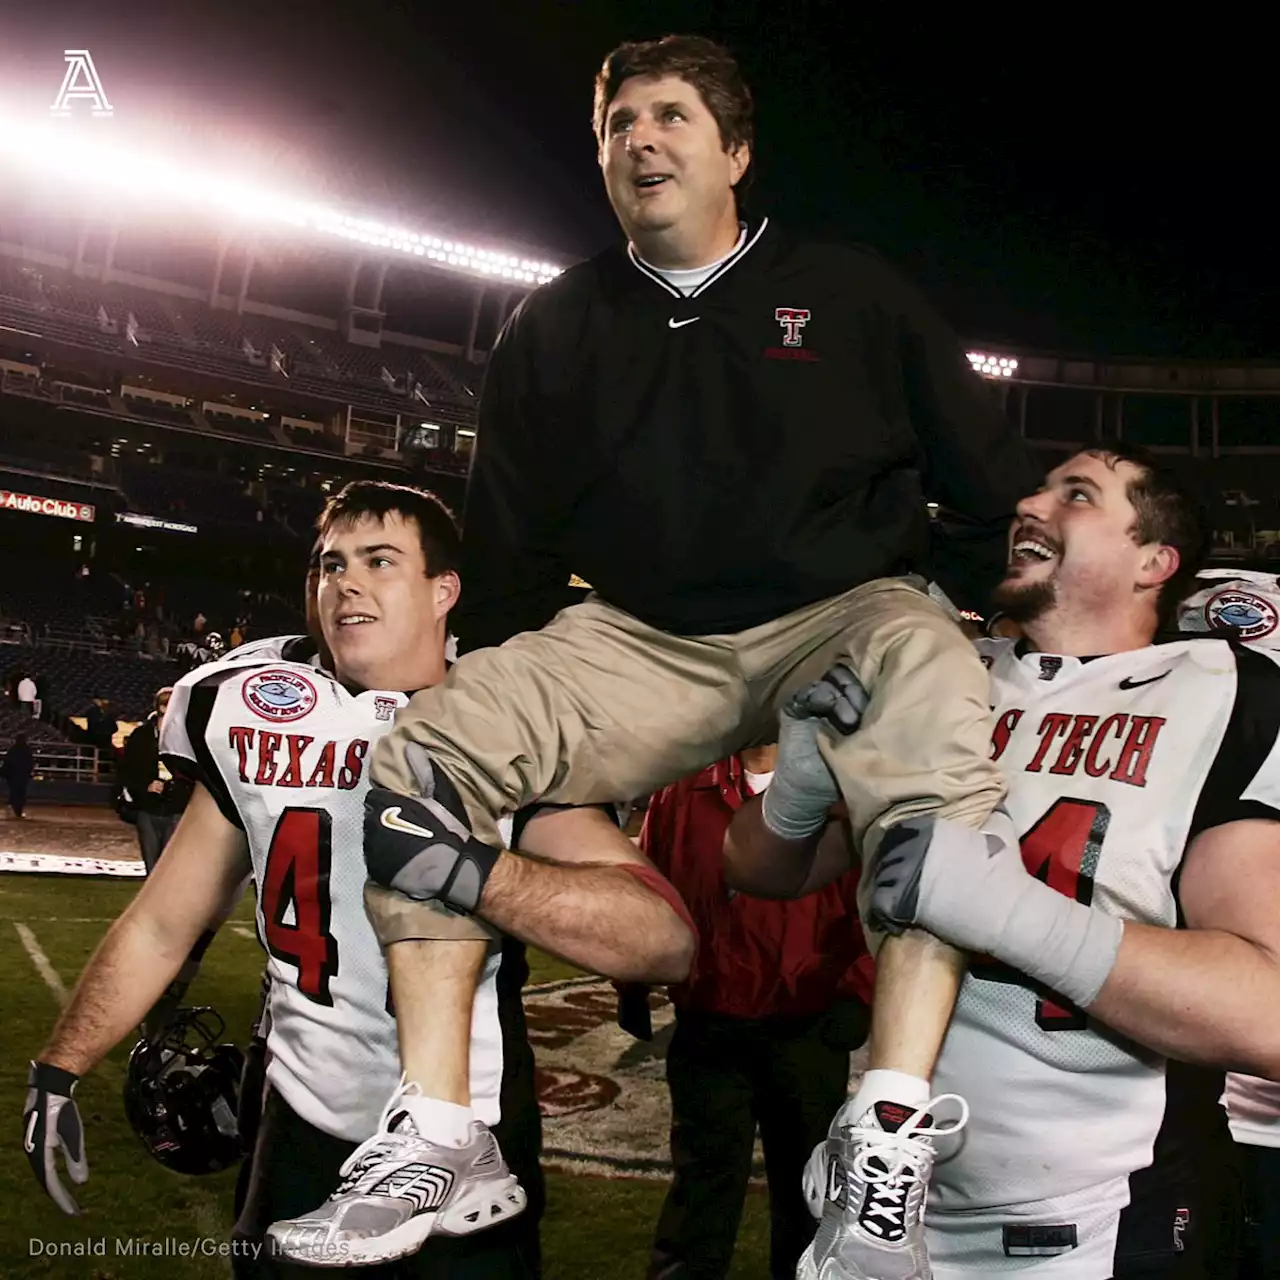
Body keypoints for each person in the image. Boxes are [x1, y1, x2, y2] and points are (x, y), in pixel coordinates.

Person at [307, 34, 1036, 1273]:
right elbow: (515, 553)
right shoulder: (555, 323)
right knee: (430, 751)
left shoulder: (848, 292)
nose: (639, 138)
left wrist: (935, 590)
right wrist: (525, 716)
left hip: (835, 609)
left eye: (669, 117)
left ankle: (885, 1137)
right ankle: (439, 1125)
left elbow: (984, 486)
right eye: (618, 122)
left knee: (927, 700)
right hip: (641, 635)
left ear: (735, 152)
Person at [23, 481, 694, 1278]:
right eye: (330, 565)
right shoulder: (252, 709)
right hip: (300, 1124)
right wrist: (59, 1066)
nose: (346, 583)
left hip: (465, 1139)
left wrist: (477, 874)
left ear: (444, 590)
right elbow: (163, 922)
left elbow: (663, 940)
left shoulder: (504, 727)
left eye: (381, 562)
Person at [728, 444, 1275, 1277]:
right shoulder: (944, 676)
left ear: (1153, 561)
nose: (1031, 503)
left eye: (1078, 495)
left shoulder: (1221, 689)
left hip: (1103, 1212)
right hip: (884, 1197)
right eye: (1040, 486)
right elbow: (761, 872)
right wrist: (801, 783)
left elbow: (1265, 1012)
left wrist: (998, 908)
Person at [637, 744, 873, 1280]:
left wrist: (859, 991)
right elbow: (650, 882)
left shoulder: (843, 787)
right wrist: (634, 979)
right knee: (701, 1181)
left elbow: (876, 897)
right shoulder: (683, 787)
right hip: (709, 1021)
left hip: (808, 1025)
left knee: (808, 1188)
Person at [118, 686, 192, 873]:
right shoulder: (141, 736)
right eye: (165, 704)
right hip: (148, 807)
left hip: (176, 807)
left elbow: (194, 771)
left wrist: (176, 785)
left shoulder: (187, 736)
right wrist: (146, 785)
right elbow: (127, 771)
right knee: (151, 867)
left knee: (169, 868)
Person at [2, 732, 34, 819]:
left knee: (14, 792)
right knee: (21, 794)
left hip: (13, 775)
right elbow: (30, 764)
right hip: (22, 775)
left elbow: (7, 762)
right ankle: (18, 811)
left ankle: (12, 809)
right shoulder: (27, 750)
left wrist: (4, 773)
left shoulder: (13, 749)